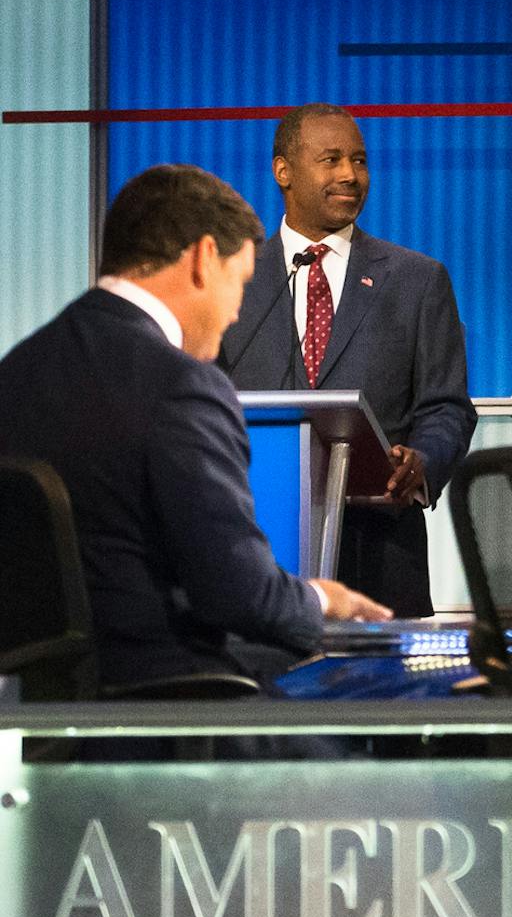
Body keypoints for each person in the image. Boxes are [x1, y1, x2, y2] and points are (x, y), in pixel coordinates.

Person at [0, 164, 388, 690]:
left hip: (40, 705)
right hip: (171, 705)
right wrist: (326, 599)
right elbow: (241, 595)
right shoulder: (183, 386)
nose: (235, 314)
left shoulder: (16, 372)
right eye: (240, 283)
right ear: (205, 259)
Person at [219, 103, 478, 617]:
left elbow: (447, 407)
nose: (349, 175)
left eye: (359, 161)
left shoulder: (417, 280)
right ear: (283, 171)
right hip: (255, 550)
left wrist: (422, 462)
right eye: (331, 159)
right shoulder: (235, 279)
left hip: (381, 557)